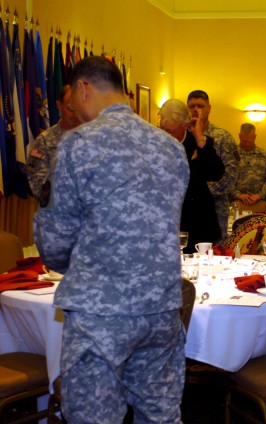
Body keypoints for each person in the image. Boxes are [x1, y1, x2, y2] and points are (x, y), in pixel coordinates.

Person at [33, 56, 189, 423]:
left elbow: (56, 239)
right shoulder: (171, 148)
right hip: (162, 308)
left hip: (100, 316)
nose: (75, 110)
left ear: (84, 88)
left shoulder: (77, 144)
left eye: (73, 100)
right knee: (161, 416)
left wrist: (73, 260)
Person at [159, 98, 225, 253]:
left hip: (197, 222)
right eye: (163, 129)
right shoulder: (155, 143)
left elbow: (216, 173)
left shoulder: (197, 142)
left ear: (185, 126)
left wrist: (200, 140)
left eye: (171, 131)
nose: (166, 135)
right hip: (166, 221)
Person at [187, 90, 239, 241]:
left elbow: (230, 175)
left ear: (209, 108)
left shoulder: (222, 137)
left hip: (216, 208)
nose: (196, 109)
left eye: (200, 106)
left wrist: (201, 192)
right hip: (188, 209)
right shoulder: (182, 134)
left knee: (215, 252)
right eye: (192, 106)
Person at [25, 84, 81, 201]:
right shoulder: (44, 141)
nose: (75, 114)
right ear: (59, 106)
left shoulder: (94, 138)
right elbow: (38, 185)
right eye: (70, 108)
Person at [230, 122, 266, 206]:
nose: (247, 143)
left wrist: (260, 195)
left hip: (260, 202)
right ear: (239, 136)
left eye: (250, 141)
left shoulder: (265, 156)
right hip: (236, 203)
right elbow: (225, 178)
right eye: (244, 140)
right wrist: (238, 195)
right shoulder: (230, 155)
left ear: (255, 137)